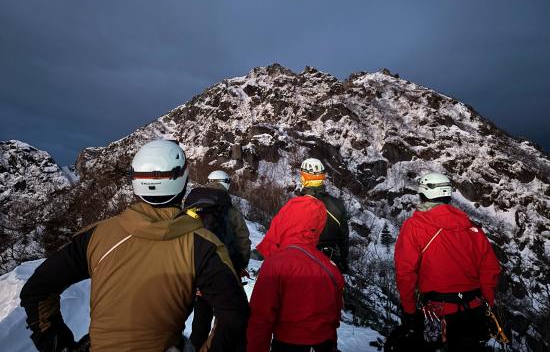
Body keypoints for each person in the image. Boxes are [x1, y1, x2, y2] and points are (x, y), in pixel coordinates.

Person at [20, 139, 249, 352]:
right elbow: (234, 317)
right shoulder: (202, 245)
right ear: (183, 180)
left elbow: (37, 290)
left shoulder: (97, 235)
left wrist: (59, 346)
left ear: (135, 180)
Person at [393, 172, 501, 352]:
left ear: (423, 194)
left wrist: (410, 310)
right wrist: (487, 305)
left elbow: (405, 272)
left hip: (438, 314)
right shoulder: (471, 227)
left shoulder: (414, 226)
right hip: (474, 312)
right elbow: (490, 270)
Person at [247, 196, 344, 352]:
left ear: (285, 221)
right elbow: (334, 317)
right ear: (318, 225)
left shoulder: (275, 264)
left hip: (287, 345)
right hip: (324, 345)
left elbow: (260, 319)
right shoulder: (330, 267)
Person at [187, 169, 251, 351]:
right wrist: (239, 266)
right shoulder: (230, 210)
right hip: (225, 274)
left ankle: (195, 346)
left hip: (199, 274)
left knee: (200, 322)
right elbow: (243, 240)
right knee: (228, 319)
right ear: (226, 183)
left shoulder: (193, 207)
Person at [299, 158, 350, 272]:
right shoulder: (338, 204)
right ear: (322, 178)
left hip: (304, 263)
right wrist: (343, 261)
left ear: (303, 178)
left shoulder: (297, 205)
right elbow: (344, 239)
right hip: (331, 263)